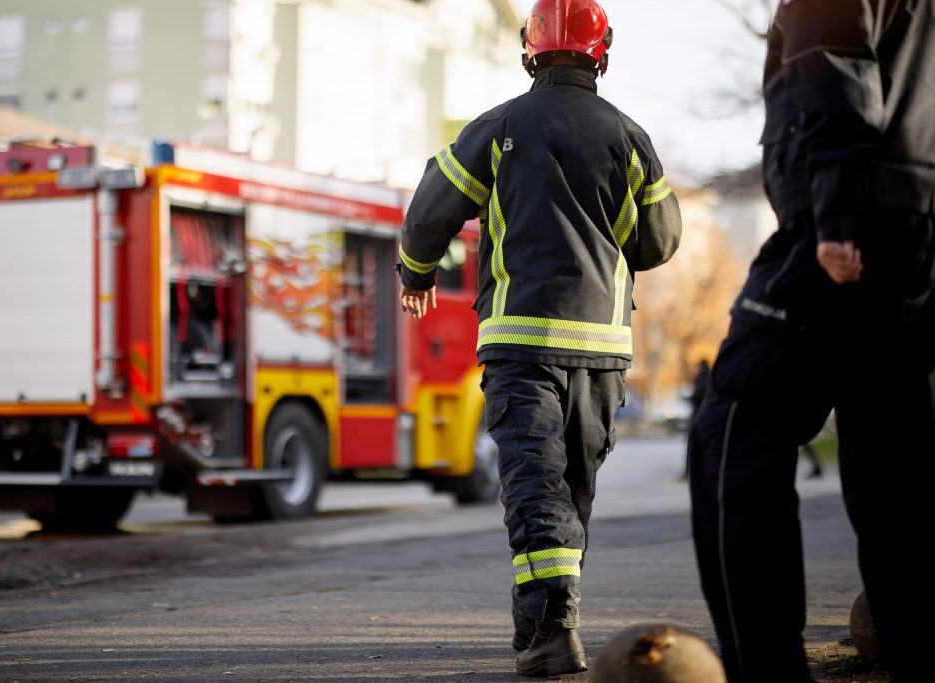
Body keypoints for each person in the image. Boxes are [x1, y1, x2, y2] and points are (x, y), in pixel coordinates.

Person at [397, 0, 682, 676]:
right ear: (600, 52)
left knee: (535, 485)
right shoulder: (629, 136)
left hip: (521, 342)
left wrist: (418, 271)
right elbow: (661, 239)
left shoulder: (497, 128)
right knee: (568, 489)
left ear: (530, 50)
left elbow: (429, 208)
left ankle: (552, 629)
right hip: (602, 351)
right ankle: (541, 624)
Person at [687, 1, 935, 681]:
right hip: (915, 230)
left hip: (850, 222)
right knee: (893, 458)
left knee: (731, 427)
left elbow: (837, 64)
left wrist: (832, 215)